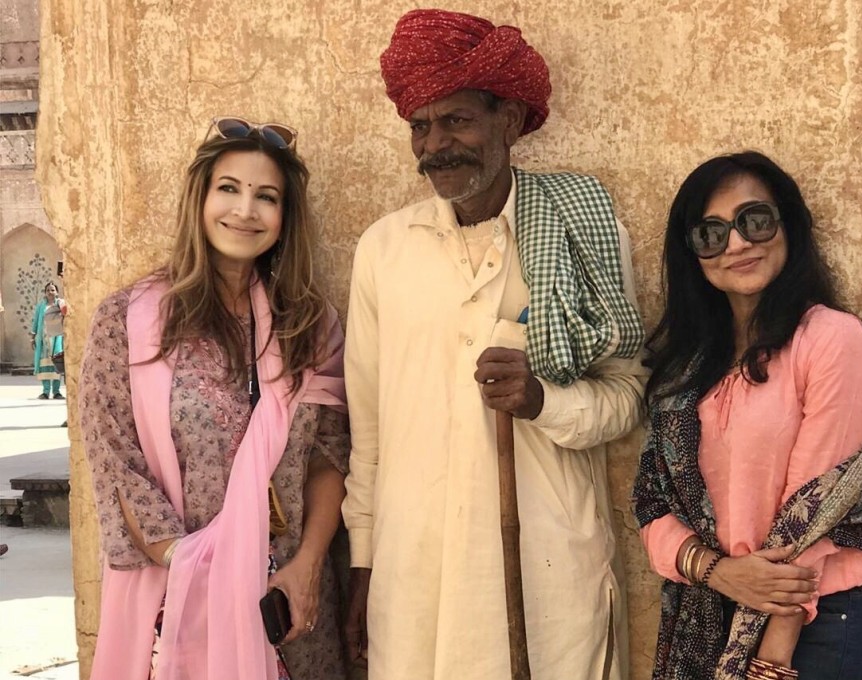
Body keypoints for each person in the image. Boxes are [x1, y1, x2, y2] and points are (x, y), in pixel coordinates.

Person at [341, 9, 647, 679]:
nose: (435, 145)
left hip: (546, 574)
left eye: (456, 120)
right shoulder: (384, 250)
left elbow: (626, 397)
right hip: (413, 577)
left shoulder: (580, 228)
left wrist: (542, 401)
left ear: (508, 120)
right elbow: (369, 429)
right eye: (420, 126)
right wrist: (363, 563)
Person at [79, 118, 349, 680]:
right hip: (178, 602)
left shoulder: (310, 325)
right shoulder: (128, 321)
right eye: (229, 188)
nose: (245, 210)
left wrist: (307, 566)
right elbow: (117, 464)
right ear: (199, 198)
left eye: (266, 196)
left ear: (285, 216)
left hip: (286, 604)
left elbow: (329, 456)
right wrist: (196, 570)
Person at [632, 151, 862, 680]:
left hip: (811, 624)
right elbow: (651, 503)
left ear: (787, 224)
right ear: (692, 253)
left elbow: (815, 507)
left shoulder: (830, 339)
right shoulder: (686, 366)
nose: (737, 244)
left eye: (755, 220)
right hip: (706, 609)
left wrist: (772, 655)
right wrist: (717, 572)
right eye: (711, 233)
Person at [31, 281, 67, 399]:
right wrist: (32, 337)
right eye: (48, 290)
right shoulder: (41, 306)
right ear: (45, 293)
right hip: (44, 341)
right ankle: (45, 391)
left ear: (57, 292)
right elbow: (36, 321)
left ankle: (56, 392)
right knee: (44, 365)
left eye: (52, 290)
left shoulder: (60, 304)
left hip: (57, 339)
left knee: (57, 364)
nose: (50, 292)